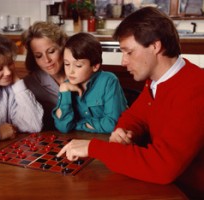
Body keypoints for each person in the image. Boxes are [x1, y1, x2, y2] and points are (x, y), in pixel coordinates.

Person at [57, 7, 204, 199]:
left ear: (155, 46)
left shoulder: (195, 87)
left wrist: (94, 148)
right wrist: (124, 132)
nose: (123, 61)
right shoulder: (156, 81)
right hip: (163, 186)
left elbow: (162, 168)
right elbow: (133, 117)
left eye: (129, 52)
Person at [52, 32, 127, 133]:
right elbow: (63, 127)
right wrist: (64, 91)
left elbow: (113, 124)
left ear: (95, 66)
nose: (70, 71)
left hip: (108, 142)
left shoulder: (109, 81)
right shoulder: (67, 86)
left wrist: (79, 124)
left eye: (78, 65)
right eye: (67, 64)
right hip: (80, 142)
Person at [21, 21, 68, 130]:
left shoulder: (81, 73)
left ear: (63, 47)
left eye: (51, 51)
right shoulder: (28, 85)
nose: (47, 60)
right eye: (38, 56)